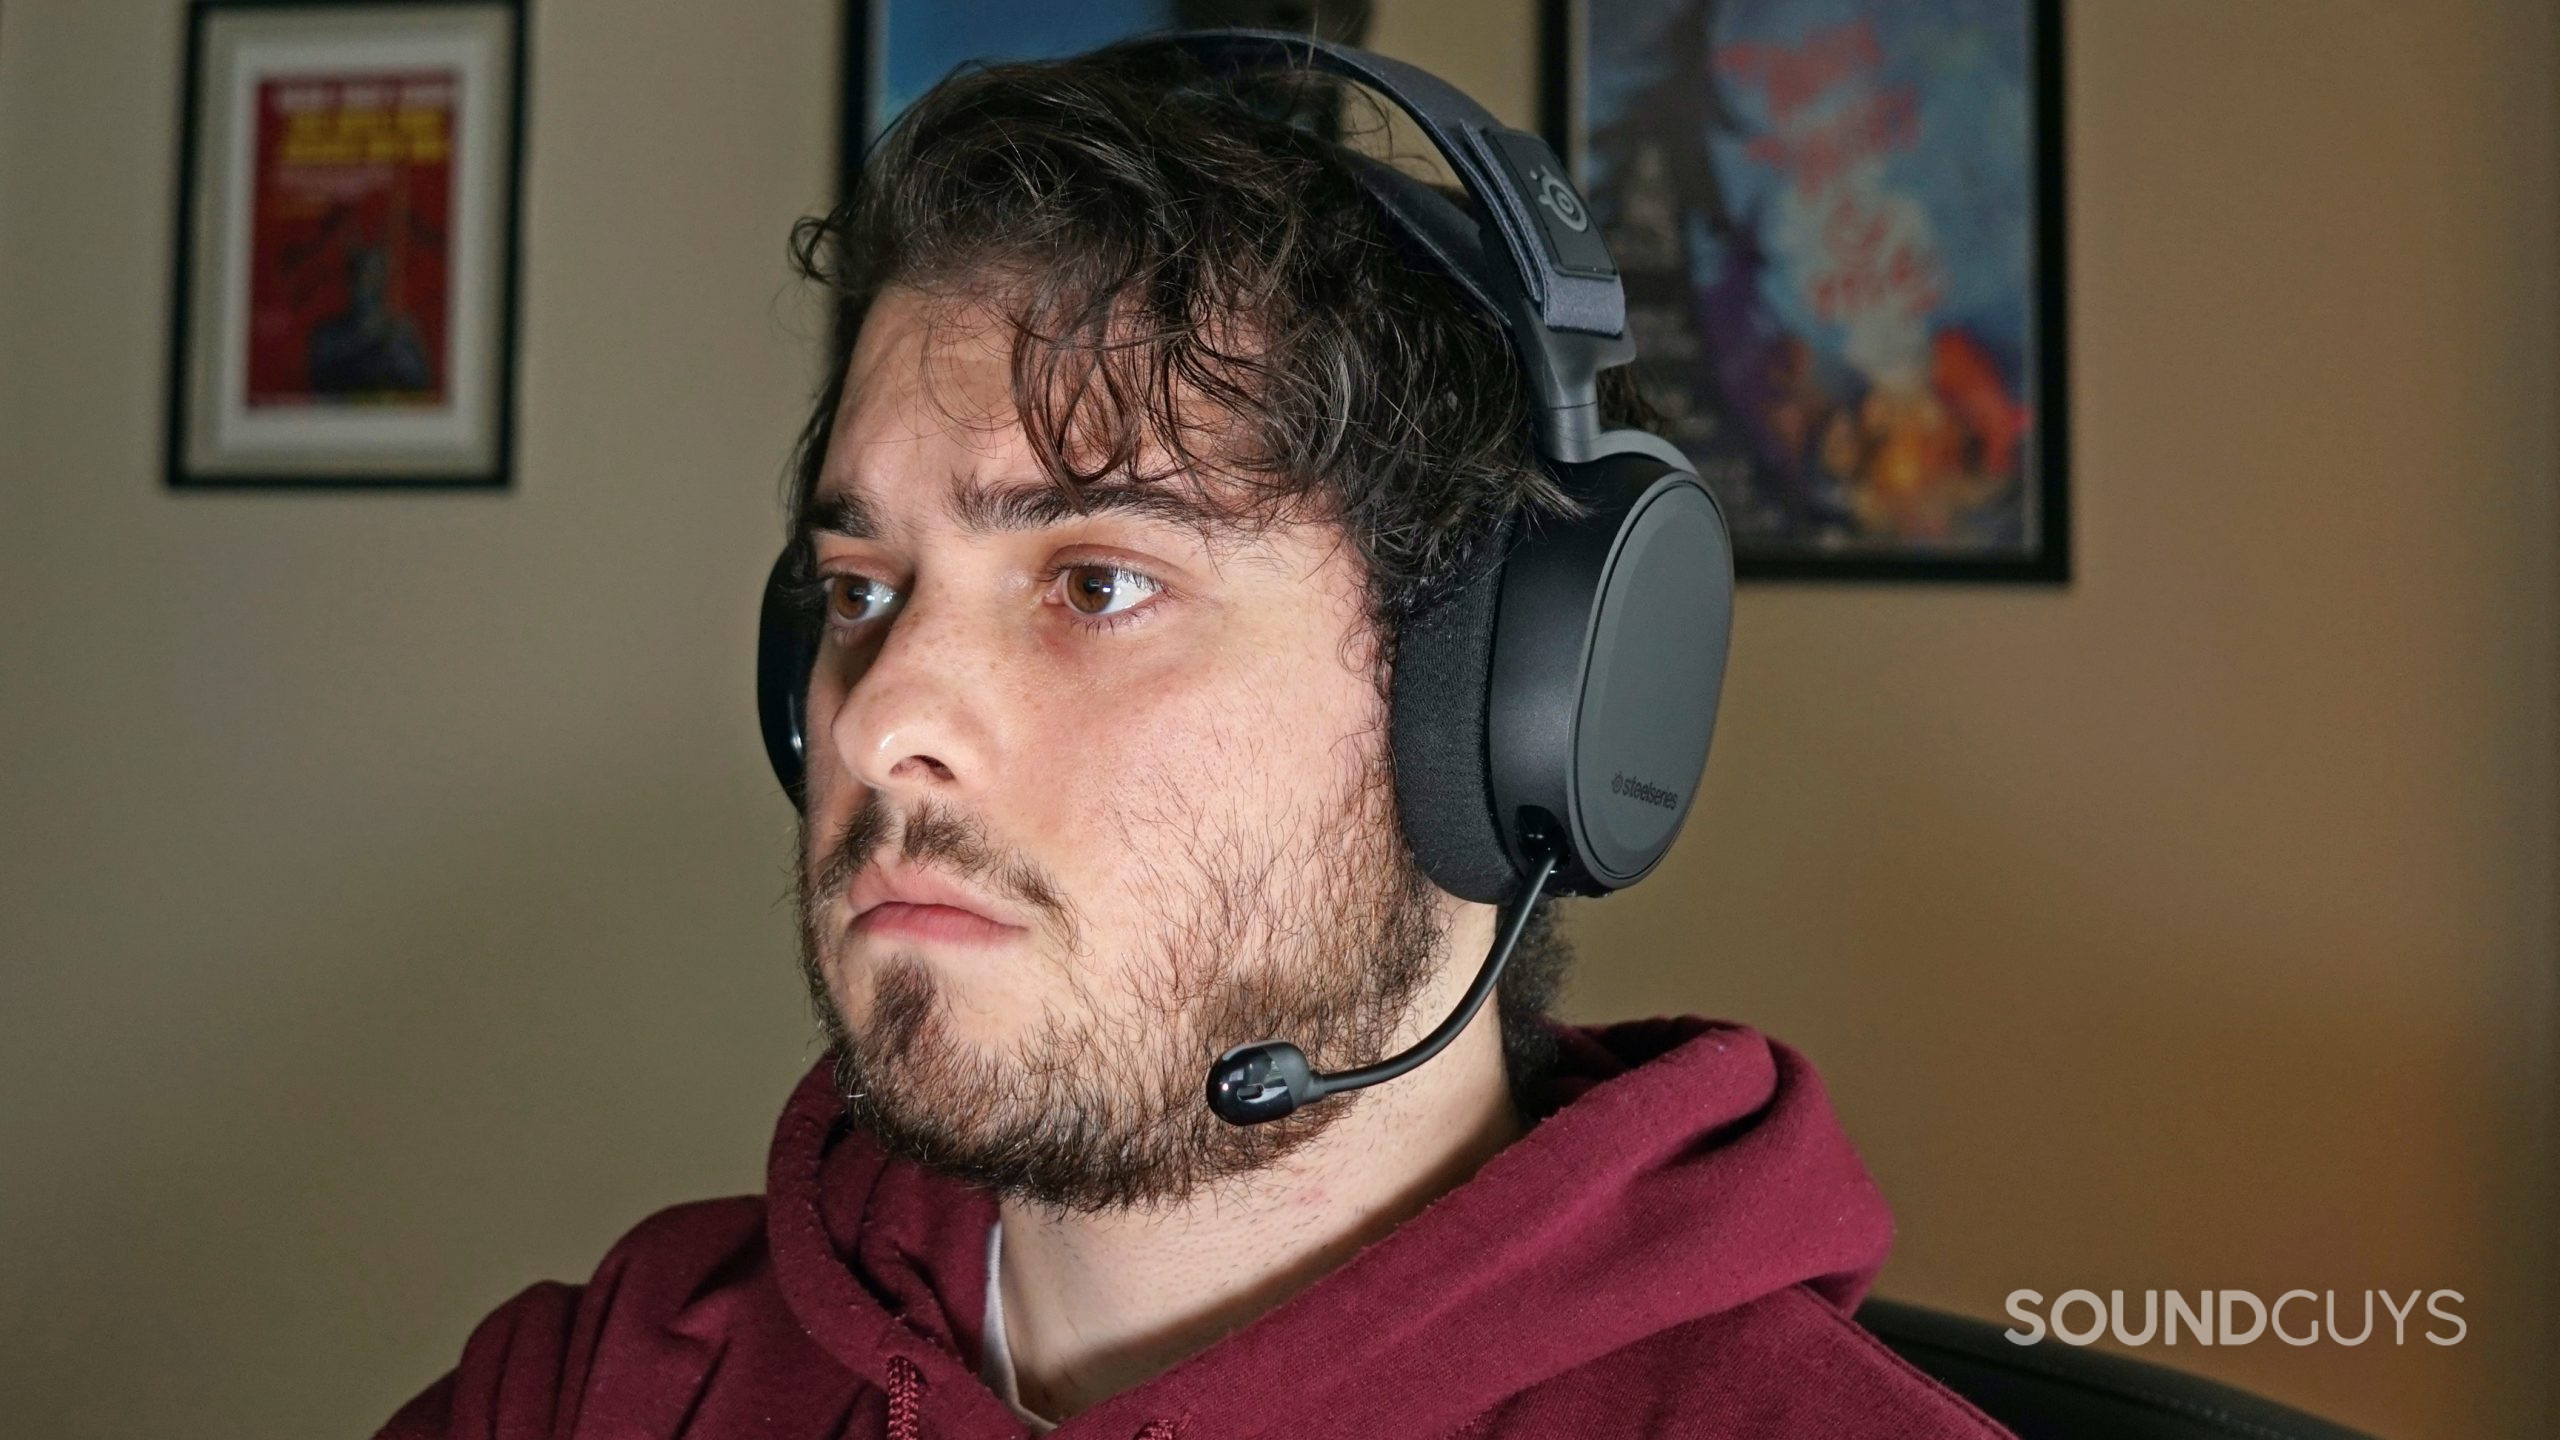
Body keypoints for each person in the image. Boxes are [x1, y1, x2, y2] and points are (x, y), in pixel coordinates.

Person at [375, 38, 2009, 1440]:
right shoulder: (608, 1379)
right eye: (861, 591)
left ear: (1512, 702)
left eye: (1094, 581)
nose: (882, 721)